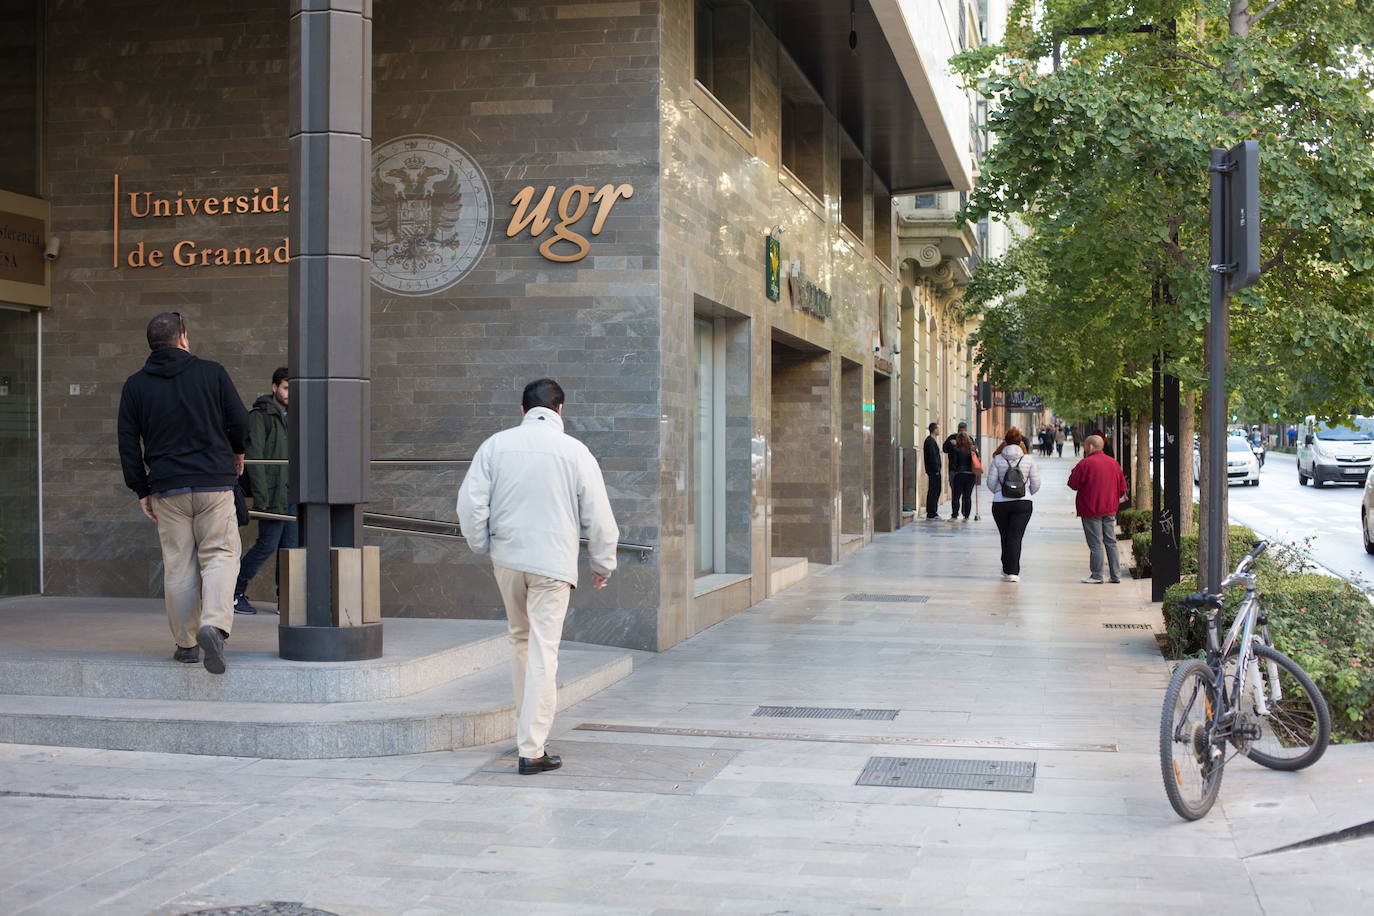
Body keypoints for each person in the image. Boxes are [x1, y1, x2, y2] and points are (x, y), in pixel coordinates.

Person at [456, 378, 618, 776]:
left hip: (508, 557)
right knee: (544, 649)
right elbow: (598, 513)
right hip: (553, 563)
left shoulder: (495, 445)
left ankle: (525, 736)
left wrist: (481, 543)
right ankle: (532, 747)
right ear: (560, 411)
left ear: (523, 410)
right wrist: (603, 562)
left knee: (520, 641)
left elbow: (470, 502)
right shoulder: (574, 450)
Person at [117, 312, 249, 674]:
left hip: (167, 488)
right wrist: (238, 452)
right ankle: (215, 625)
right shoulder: (212, 372)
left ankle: (187, 645)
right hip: (214, 482)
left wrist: (140, 488)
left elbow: (127, 443)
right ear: (184, 338)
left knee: (179, 567)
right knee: (221, 555)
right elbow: (240, 420)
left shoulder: (135, 385)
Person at [234, 367, 296, 615]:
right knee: (267, 545)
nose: (290, 393)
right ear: (274, 388)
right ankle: (234, 590)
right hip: (271, 495)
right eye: (285, 387)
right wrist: (261, 497)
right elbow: (254, 459)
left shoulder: (294, 416)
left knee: (290, 548)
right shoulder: (260, 416)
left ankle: (287, 599)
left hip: (291, 494)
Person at [1067, 434, 1127, 584]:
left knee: (1095, 543)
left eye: (1086, 445)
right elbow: (1122, 488)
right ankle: (1115, 575)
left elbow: (1073, 483)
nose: (1084, 448)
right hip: (1110, 508)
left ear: (1091, 446)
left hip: (1091, 508)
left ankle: (1097, 575)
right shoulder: (1114, 463)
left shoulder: (1085, 464)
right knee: (1111, 541)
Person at [986, 428, 1041, 581]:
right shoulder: (1028, 459)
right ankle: (1013, 572)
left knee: (1005, 535)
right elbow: (1036, 483)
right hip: (1023, 503)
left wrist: (999, 492)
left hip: (1000, 503)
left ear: (1006, 440)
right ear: (1020, 441)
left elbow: (990, 483)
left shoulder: (997, 459)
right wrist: (1027, 492)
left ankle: (1006, 567)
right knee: (1016, 536)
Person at [947, 430, 978, 521]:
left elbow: (954, 463)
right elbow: (977, 460)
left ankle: (955, 515)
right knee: (967, 496)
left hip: (959, 474)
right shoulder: (972, 449)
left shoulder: (956, 449)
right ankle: (966, 516)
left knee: (956, 496)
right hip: (970, 475)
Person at [923, 422, 943, 519]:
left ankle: (933, 511)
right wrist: (936, 469)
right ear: (934, 430)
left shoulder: (931, 440)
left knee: (935, 490)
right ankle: (931, 512)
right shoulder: (930, 441)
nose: (939, 430)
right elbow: (932, 457)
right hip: (934, 471)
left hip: (934, 470)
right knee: (934, 491)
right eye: (938, 428)